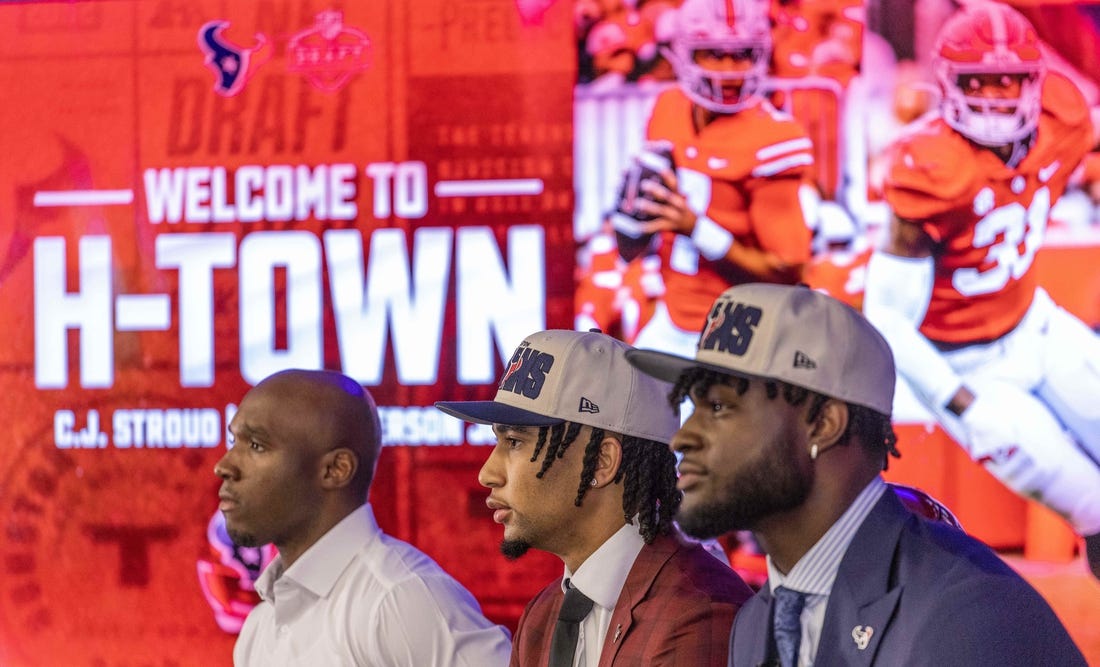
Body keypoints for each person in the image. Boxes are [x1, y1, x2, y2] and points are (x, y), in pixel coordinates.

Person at [626, 283, 1087, 666]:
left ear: (824, 424)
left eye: (720, 407)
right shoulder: (757, 620)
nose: (684, 436)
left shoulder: (968, 616)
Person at [862, 1, 1100, 578]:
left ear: (1035, 81)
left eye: (1009, 81)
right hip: (968, 364)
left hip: (1036, 326)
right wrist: (961, 403)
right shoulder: (931, 167)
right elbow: (885, 317)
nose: (995, 96)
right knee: (1094, 508)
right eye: (978, 82)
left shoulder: (1063, 116)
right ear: (948, 86)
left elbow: (1083, 167)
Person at [435, 329, 753, 666]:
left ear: (601, 463)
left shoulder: (700, 612)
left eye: (514, 442)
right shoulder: (542, 615)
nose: (487, 473)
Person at [214, 369, 511, 666]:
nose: (224, 466)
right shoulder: (259, 627)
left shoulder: (401, 598)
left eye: (256, 445)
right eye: (233, 441)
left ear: (335, 470)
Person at [611, 0, 815, 359]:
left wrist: (697, 229)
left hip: (738, 327)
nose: (730, 71)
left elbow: (788, 270)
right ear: (685, 53)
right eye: (714, 55)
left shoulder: (774, 139)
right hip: (673, 317)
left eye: (742, 55)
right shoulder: (668, 107)